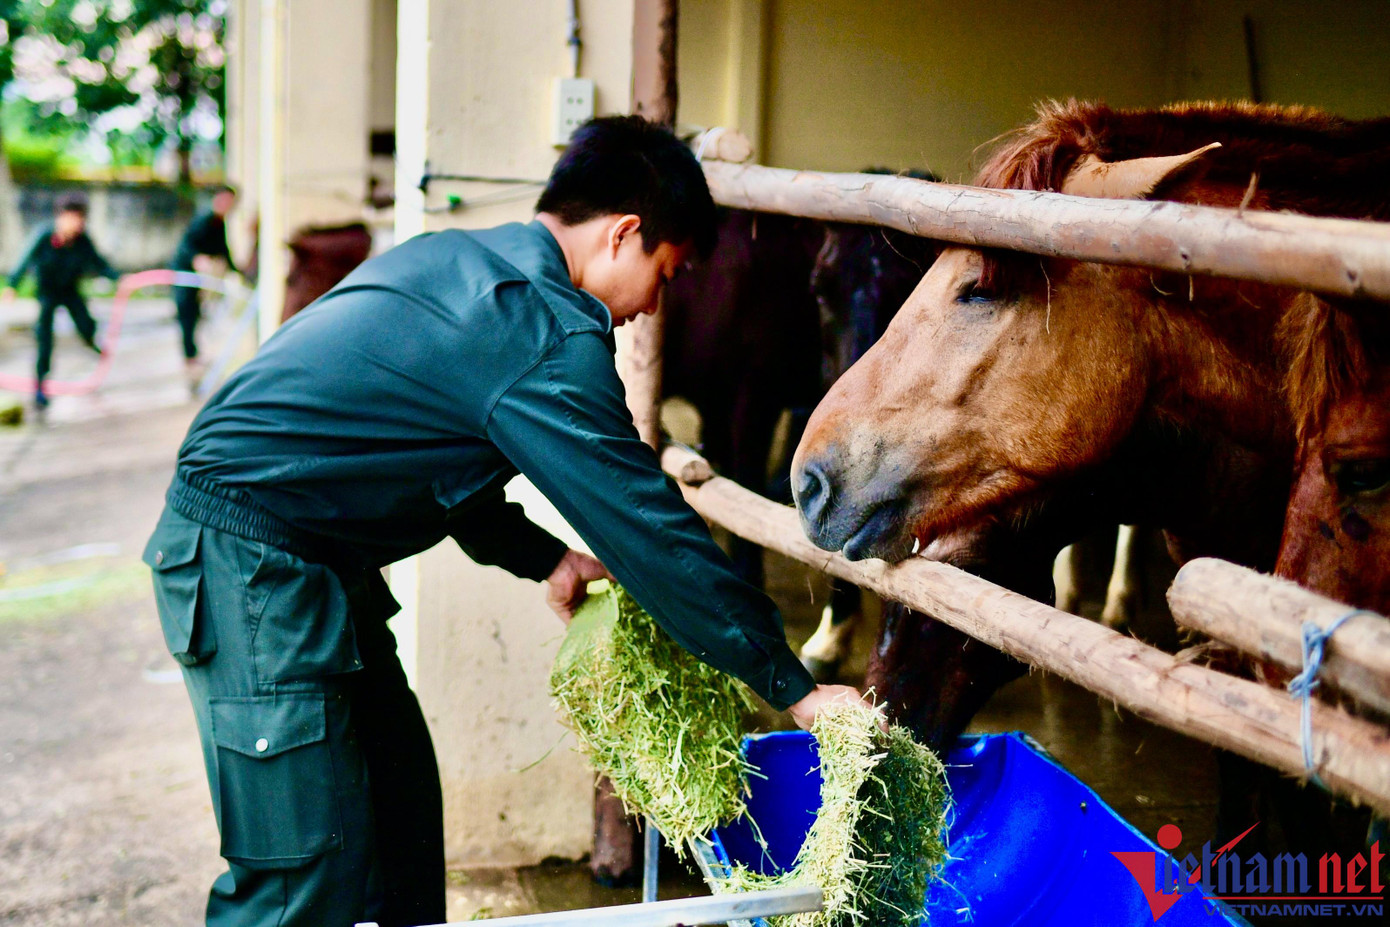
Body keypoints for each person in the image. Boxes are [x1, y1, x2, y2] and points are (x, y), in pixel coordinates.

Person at [143, 115, 870, 927]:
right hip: (253, 559)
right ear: (625, 234)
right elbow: (648, 526)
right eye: (667, 273)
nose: (656, 304)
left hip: (315, 553)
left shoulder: (464, 262)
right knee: (302, 875)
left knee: (399, 818)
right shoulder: (539, 326)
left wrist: (547, 559)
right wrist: (795, 690)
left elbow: (431, 463)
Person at [3, 194, 120, 408]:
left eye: (81, 219)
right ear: (61, 217)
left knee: (86, 323)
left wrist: (118, 279)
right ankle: (40, 387)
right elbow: (24, 259)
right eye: (73, 218)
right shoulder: (44, 235)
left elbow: (99, 262)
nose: (77, 224)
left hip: (70, 290)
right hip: (47, 292)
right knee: (44, 339)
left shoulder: (82, 240)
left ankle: (90, 339)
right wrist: (12, 285)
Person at [171, 184, 238, 379]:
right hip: (184, 274)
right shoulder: (203, 220)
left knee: (196, 313)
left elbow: (222, 249)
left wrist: (236, 269)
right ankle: (189, 356)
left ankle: (192, 354)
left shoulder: (219, 223)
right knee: (186, 314)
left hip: (197, 278)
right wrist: (195, 258)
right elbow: (186, 244)